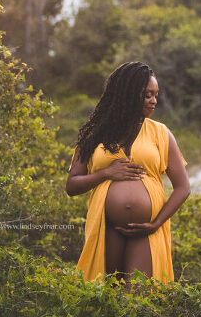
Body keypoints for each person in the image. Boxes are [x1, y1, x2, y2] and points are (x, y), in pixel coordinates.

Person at [66, 61, 190, 289]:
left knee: (138, 297)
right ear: (128, 95)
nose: (154, 100)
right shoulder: (96, 134)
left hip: (147, 228)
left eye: (156, 95)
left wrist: (157, 223)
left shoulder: (161, 133)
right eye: (147, 95)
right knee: (106, 293)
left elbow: (183, 187)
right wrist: (105, 173)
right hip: (107, 225)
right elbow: (72, 185)